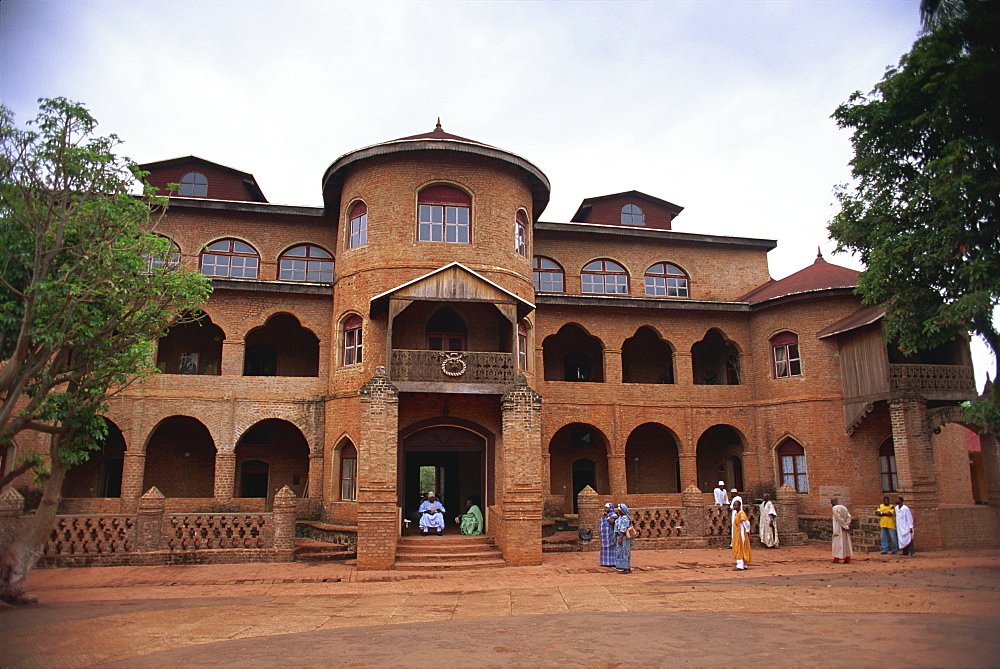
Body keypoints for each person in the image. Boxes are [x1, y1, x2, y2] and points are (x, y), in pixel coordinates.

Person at [731, 499, 752, 570]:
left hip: (741, 534)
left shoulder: (741, 513)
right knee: (741, 548)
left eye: (736, 505)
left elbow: (747, 523)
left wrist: (747, 531)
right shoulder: (737, 513)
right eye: (733, 505)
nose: (734, 506)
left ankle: (740, 565)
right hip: (737, 533)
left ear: (739, 506)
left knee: (740, 548)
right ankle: (744, 563)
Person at [831, 498, 853, 563]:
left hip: (839, 528)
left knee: (837, 543)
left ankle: (836, 559)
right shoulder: (844, 507)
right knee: (846, 543)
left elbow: (838, 518)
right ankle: (847, 559)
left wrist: (844, 525)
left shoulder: (834, 508)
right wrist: (847, 525)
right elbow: (849, 517)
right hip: (845, 528)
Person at [614, 503, 633, 574]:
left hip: (624, 538)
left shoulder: (625, 518)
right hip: (621, 537)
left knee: (624, 552)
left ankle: (626, 568)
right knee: (623, 551)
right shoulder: (620, 517)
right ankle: (627, 567)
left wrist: (620, 538)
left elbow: (624, 529)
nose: (618, 511)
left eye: (619, 510)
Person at [599, 502, 619, 567]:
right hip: (605, 535)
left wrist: (607, 516)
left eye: (606, 507)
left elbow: (612, 522)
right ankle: (605, 562)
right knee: (605, 548)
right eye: (605, 507)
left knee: (611, 548)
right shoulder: (604, 515)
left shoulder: (612, 514)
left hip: (610, 535)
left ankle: (612, 562)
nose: (605, 509)